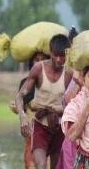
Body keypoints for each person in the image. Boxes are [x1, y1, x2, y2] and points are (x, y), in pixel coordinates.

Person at [16, 34, 73, 169]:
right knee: (40, 165)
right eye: (56, 55)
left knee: (56, 166)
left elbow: (75, 103)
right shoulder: (38, 69)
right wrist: (22, 116)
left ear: (67, 54)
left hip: (60, 127)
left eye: (62, 56)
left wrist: (62, 111)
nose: (59, 59)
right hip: (40, 125)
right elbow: (20, 96)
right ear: (50, 52)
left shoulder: (70, 74)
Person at [10, 52, 49, 169]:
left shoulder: (53, 83)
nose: (40, 63)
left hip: (48, 131)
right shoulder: (25, 83)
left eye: (43, 60)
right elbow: (21, 106)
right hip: (31, 133)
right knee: (30, 163)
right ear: (31, 63)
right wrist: (17, 109)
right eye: (37, 60)